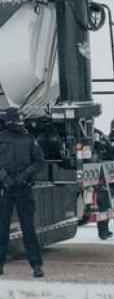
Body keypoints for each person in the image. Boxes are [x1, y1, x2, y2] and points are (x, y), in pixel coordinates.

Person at [0, 108, 46, 278]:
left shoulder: (29, 140)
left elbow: (39, 162)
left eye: (20, 121)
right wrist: (4, 177)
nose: (18, 124)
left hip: (24, 189)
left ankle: (36, 265)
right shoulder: (1, 138)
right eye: (16, 121)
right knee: (1, 229)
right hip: (5, 189)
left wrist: (25, 175)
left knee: (28, 229)